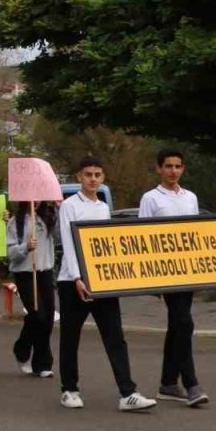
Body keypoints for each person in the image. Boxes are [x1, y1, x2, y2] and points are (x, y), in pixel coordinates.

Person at [57, 157, 156, 411]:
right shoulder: (69, 205)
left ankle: (128, 393)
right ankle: (69, 389)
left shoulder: (102, 208)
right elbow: (69, 242)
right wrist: (78, 277)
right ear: (79, 177)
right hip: (72, 282)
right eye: (88, 174)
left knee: (115, 336)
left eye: (97, 174)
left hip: (102, 281)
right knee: (70, 336)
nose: (93, 179)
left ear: (102, 177)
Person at [137, 148, 209, 407]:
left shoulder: (190, 197)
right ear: (159, 168)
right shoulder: (151, 198)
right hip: (165, 272)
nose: (173, 171)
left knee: (178, 325)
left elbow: (196, 233)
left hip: (188, 270)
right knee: (184, 323)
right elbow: (142, 236)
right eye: (168, 166)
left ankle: (168, 383)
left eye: (178, 166)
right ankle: (191, 384)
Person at [7, 200, 57, 378]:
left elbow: (62, 235)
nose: (35, 202)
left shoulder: (49, 219)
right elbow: (10, 253)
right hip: (25, 273)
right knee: (38, 315)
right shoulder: (15, 222)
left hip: (45, 271)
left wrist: (60, 207)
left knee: (48, 317)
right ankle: (29, 353)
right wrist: (25, 247)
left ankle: (36, 359)